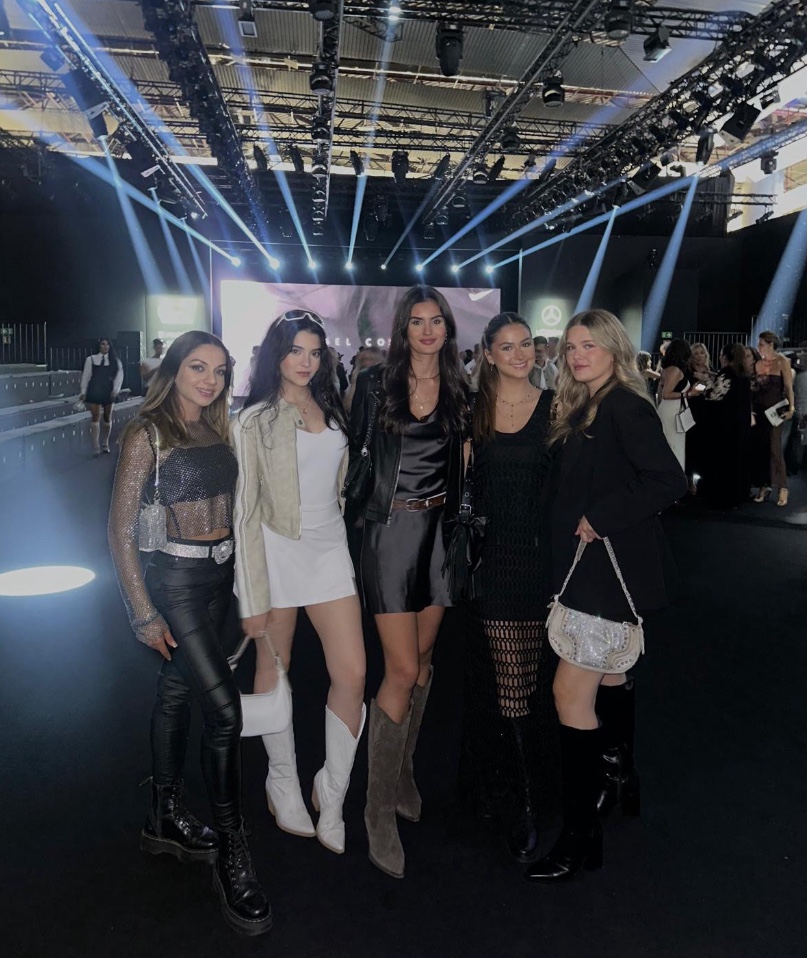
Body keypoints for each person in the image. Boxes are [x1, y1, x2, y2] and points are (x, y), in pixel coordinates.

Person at [108, 331, 272, 936]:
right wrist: (143, 612)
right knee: (225, 712)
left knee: (177, 694)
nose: (210, 379)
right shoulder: (145, 433)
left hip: (217, 581)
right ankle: (233, 850)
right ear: (173, 369)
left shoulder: (217, 427)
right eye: (198, 367)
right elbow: (120, 531)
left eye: (220, 371)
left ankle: (164, 815)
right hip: (174, 584)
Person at [525, 309, 686, 883]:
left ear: (615, 349)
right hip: (590, 569)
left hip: (604, 573)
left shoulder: (623, 404)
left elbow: (667, 479)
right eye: (570, 347)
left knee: (569, 693)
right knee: (610, 678)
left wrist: (600, 516)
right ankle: (619, 777)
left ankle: (579, 836)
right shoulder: (587, 405)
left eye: (589, 345)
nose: (577, 354)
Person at [231, 309, 366, 855]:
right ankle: (282, 780)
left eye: (314, 352)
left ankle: (331, 790)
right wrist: (249, 593)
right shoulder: (254, 420)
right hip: (275, 552)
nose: (305, 363)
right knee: (274, 670)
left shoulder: (331, 406)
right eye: (295, 352)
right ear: (275, 355)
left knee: (353, 672)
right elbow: (244, 513)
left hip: (330, 549)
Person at [349, 285, 468, 879]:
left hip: (441, 537)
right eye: (416, 321)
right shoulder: (375, 385)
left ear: (447, 328)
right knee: (398, 669)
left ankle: (402, 773)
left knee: (423, 662)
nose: (426, 330)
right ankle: (376, 811)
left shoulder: (462, 390)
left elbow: (468, 465)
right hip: (389, 536)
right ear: (403, 329)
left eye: (435, 321)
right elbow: (355, 460)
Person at [458, 313, 554, 864]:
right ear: (488, 354)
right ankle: (521, 803)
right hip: (496, 567)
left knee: (539, 685)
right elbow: (462, 491)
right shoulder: (475, 416)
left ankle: (526, 788)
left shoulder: (556, 409)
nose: (520, 354)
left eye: (526, 345)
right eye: (507, 347)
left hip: (545, 566)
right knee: (511, 686)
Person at [698, 343, 752, 510]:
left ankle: (721, 497)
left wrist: (706, 381)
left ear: (725, 357)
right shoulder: (743, 374)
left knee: (723, 461)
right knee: (738, 461)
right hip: (740, 425)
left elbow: (714, 395)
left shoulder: (726, 373)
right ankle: (738, 495)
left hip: (724, 426)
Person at [751, 330, 795, 507]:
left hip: (775, 410)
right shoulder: (758, 364)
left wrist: (791, 407)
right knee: (762, 448)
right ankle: (764, 485)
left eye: (761, 343)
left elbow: (788, 387)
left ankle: (782, 487)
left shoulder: (782, 361)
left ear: (770, 344)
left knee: (775, 448)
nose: (759, 346)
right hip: (760, 409)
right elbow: (754, 388)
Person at [79, 337, 124, 455]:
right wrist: (83, 391)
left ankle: (105, 442)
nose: (105, 347)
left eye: (108, 344)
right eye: (103, 344)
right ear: (99, 346)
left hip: (108, 390)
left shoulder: (115, 361)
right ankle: (95, 445)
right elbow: (86, 376)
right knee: (95, 416)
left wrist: (115, 390)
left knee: (107, 416)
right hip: (94, 389)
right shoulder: (91, 359)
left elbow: (119, 376)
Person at [656, 338, 692, 472]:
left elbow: (660, 394)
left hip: (668, 410)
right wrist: (689, 394)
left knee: (671, 444)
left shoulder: (666, 369)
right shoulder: (675, 370)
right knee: (674, 445)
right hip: (672, 412)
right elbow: (666, 394)